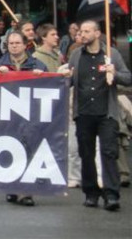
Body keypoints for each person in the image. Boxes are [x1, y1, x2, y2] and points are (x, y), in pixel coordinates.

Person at [60, 20, 131, 211]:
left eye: (87, 31)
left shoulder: (111, 54)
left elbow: (128, 78)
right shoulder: (76, 55)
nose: (82, 34)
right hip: (83, 113)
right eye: (81, 31)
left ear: (97, 34)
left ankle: (111, 194)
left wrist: (114, 74)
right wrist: (66, 77)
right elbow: (69, 81)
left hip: (106, 114)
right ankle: (91, 193)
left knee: (109, 153)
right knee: (86, 154)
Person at [0, 31, 46, 207]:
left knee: (28, 151)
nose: (13, 46)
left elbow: (52, 85)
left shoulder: (38, 65)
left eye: (17, 43)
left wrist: (42, 77)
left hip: (30, 115)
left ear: (25, 45)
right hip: (7, 115)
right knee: (10, 151)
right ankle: (11, 187)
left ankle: (26, 191)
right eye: (10, 43)